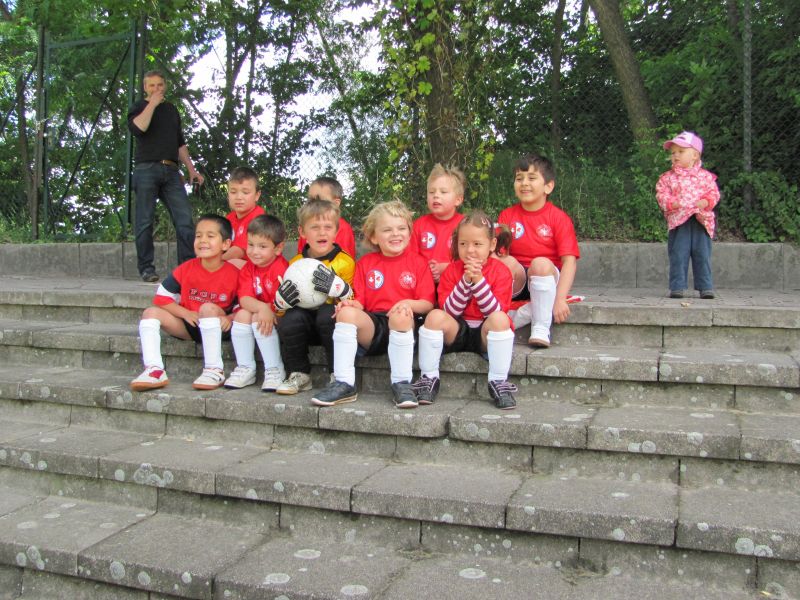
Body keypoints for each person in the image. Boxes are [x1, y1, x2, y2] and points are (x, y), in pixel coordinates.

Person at [311, 200, 435, 409]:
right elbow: (361, 303)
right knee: (345, 313)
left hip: (405, 325)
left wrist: (407, 303)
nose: (395, 234)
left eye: (401, 228)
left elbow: (427, 304)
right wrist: (349, 304)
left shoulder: (418, 262)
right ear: (374, 237)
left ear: (409, 233)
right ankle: (344, 383)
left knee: (401, 315)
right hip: (375, 326)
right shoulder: (366, 263)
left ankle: (402, 383)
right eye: (387, 230)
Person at [413, 211, 517, 409]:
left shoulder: (501, 271)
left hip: (486, 334)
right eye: (463, 244)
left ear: (492, 245)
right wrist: (465, 281)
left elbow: (494, 312)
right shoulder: (451, 270)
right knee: (434, 316)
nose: (470, 250)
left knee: (500, 320)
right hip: (457, 331)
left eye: (477, 244)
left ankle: (498, 382)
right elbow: (450, 311)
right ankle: (429, 377)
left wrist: (478, 281)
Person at [130, 215, 239, 392]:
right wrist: (185, 313)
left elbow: (243, 306)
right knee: (150, 312)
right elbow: (162, 298)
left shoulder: (234, 273)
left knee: (207, 308)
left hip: (219, 326)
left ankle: (214, 370)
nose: (203, 240)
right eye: (198, 236)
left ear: (226, 244)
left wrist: (230, 318)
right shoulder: (186, 268)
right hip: (190, 324)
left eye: (210, 236)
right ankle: (154, 370)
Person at [128, 70, 204, 282]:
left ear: (165, 86)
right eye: (152, 85)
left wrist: (191, 169)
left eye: (160, 85)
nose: (156, 89)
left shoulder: (171, 109)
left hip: (171, 170)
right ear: (145, 87)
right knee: (145, 221)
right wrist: (152, 104)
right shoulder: (138, 107)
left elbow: (180, 143)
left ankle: (187, 268)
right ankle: (146, 268)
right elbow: (139, 128)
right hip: (146, 169)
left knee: (184, 220)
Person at [497, 153, 580, 348]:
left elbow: (569, 262)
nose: (524, 183)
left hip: (546, 277)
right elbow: (498, 256)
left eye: (532, 178)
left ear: (548, 187)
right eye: (519, 178)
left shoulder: (558, 218)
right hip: (519, 282)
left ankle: (541, 327)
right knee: (504, 261)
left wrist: (560, 298)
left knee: (540, 264)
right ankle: (498, 314)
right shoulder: (507, 215)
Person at [274, 199, 356, 394]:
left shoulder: (345, 262)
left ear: (336, 232)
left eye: (328, 227)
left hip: (330, 324)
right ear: (302, 232)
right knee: (291, 318)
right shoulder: (295, 264)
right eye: (315, 227)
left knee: (329, 313)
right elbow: (281, 309)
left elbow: (353, 303)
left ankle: (338, 374)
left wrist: (341, 290)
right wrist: (280, 304)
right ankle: (299, 374)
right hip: (305, 324)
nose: (322, 232)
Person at [224, 215, 289, 391]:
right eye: (250, 245)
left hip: (279, 315)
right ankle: (245, 367)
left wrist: (265, 310)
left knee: (254, 317)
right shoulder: (247, 268)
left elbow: (282, 302)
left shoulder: (281, 268)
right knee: (242, 314)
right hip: (258, 312)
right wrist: (261, 308)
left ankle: (274, 369)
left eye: (262, 246)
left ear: (278, 248)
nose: (254, 251)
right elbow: (244, 299)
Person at [656, 131, 720, 299]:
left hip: (701, 221)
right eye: (673, 153)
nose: (675, 155)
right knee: (678, 254)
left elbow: (713, 193)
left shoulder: (705, 177)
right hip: (679, 222)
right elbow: (661, 195)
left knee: (702, 255)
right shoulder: (668, 178)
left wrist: (706, 201)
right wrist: (672, 203)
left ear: (695, 155)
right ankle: (677, 287)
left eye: (681, 151)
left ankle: (705, 287)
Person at [409, 164, 465, 283]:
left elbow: (474, 257)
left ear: (458, 200)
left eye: (443, 192)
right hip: (424, 284)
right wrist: (426, 269)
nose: (436, 196)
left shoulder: (466, 225)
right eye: (431, 192)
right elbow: (410, 258)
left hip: (457, 285)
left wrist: (446, 268)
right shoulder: (418, 225)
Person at [296, 176, 356, 258]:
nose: (315, 204)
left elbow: (345, 260)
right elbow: (301, 256)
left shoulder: (343, 227)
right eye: (311, 200)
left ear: (336, 203)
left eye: (320, 200)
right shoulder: (307, 224)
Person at [222, 167, 266, 267]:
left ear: (257, 195)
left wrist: (213, 261)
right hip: (241, 263)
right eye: (233, 192)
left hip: (260, 267)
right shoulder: (229, 218)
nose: (239, 197)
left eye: (245, 192)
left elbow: (238, 252)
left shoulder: (258, 218)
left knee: (232, 263)